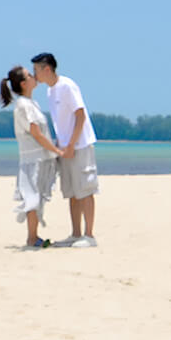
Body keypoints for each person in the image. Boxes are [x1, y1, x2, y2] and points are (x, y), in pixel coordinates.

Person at [31, 52, 99, 246]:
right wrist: (61, 147)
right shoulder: (50, 91)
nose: (34, 74)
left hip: (80, 145)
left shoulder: (67, 85)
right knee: (71, 191)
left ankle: (90, 235)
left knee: (85, 188)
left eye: (36, 69)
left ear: (47, 69)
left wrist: (71, 145)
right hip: (64, 147)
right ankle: (76, 233)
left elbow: (80, 115)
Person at [1, 65, 61, 249]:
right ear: (23, 83)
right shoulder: (23, 105)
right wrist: (57, 151)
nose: (34, 76)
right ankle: (32, 238)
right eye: (29, 75)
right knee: (32, 198)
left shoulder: (32, 104)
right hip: (32, 160)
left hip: (40, 159)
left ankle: (34, 237)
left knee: (37, 198)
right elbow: (36, 132)